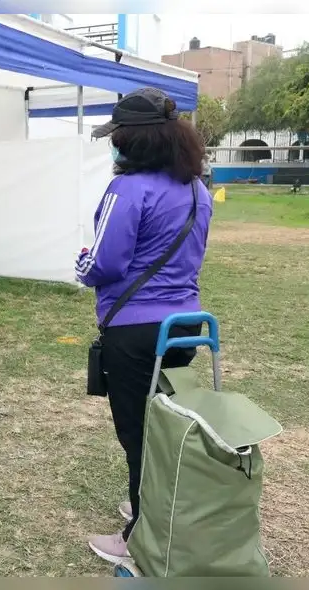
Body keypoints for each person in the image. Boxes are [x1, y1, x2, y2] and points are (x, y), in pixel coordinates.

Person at [77, 88, 213, 563]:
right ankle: (151, 502)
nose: (113, 145)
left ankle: (141, 537)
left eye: (115, 136)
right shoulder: (198, 189)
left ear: (133, 141)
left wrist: (83, 266)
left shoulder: (127, 189)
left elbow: (106, 262)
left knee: (136, 430)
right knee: (164, 424)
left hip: (134, 330)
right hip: (184, 327)